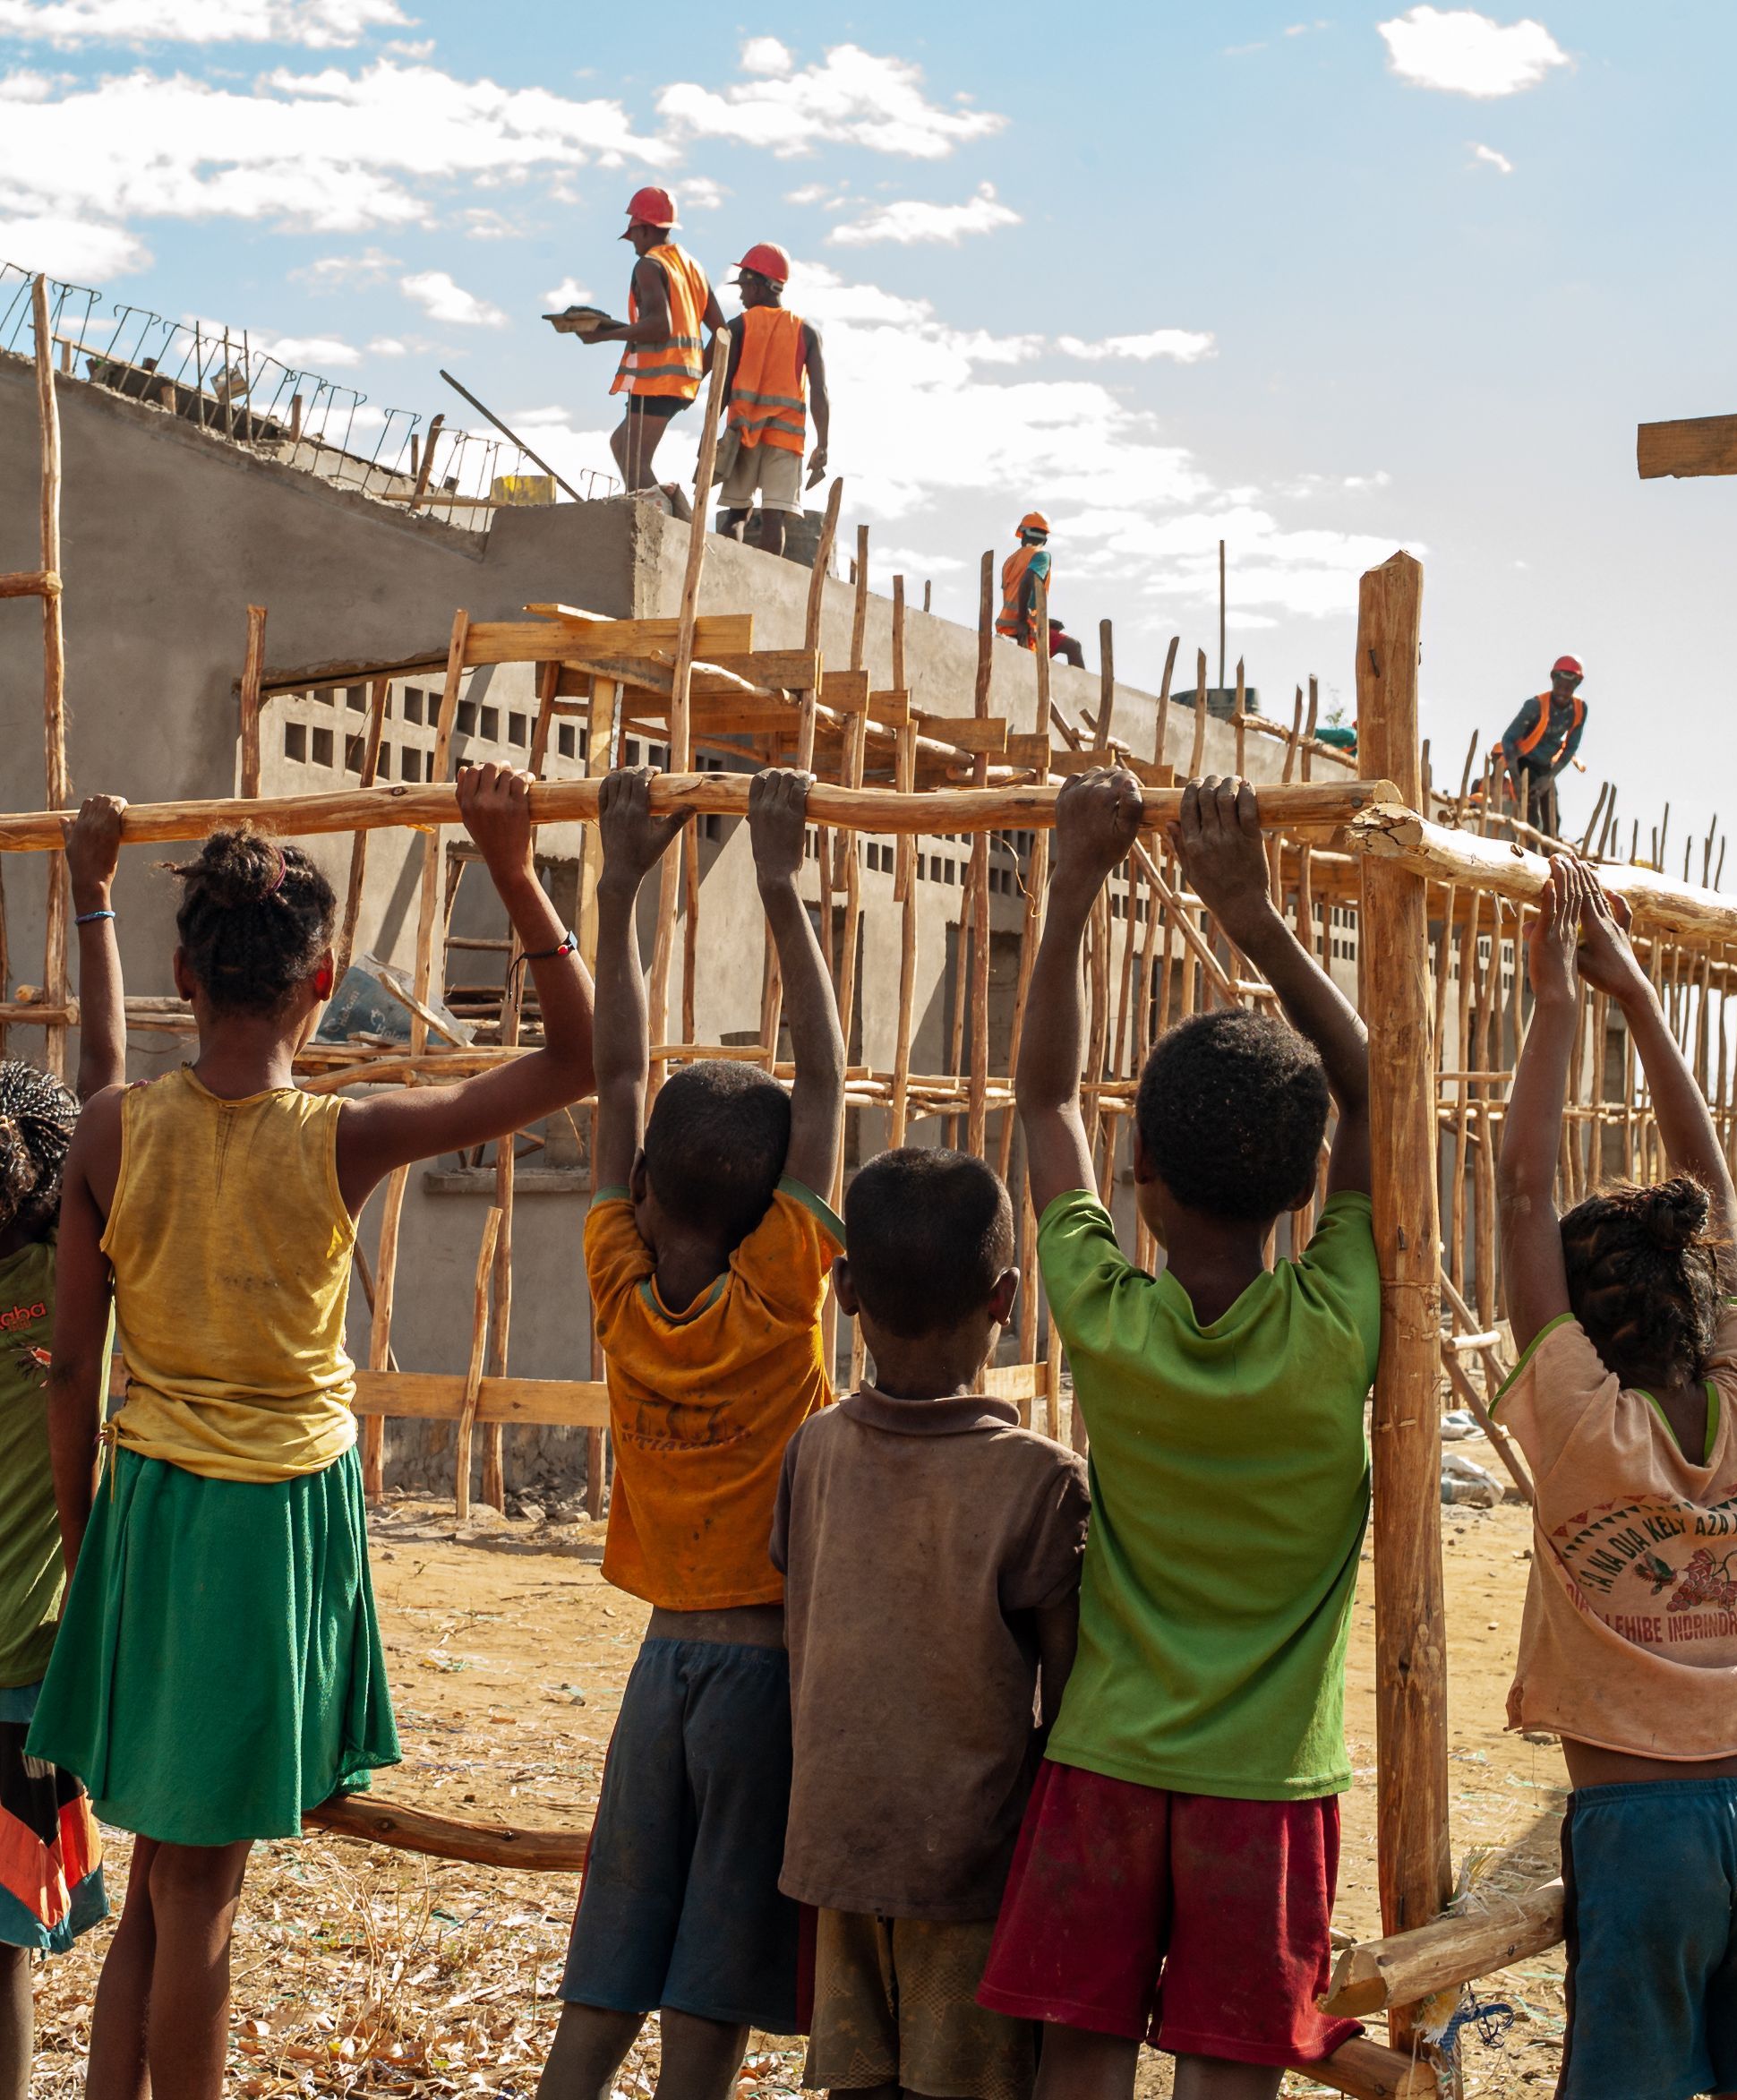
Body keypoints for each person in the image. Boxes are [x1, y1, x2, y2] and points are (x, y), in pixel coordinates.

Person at [34, 767, 595, 2100]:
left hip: (151, 1520)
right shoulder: (348, 1136)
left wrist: (90, 1544)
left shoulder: (114, 1135)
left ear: (188, 968)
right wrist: (511, 868)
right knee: (200, 1884)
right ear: (322, 976)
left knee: (169, 1869)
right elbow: (581, 1061)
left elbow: (70, 1372)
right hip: (266, 1524)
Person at [981, 773, 1379, 2096]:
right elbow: (1374, 1090)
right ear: (1307, 1183)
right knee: (1229, 2074)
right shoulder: (1336, 1330)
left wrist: (1078, 878)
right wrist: (1253, 915)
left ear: (1136, 1161)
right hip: (1266, 1785)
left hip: (1103, 1759)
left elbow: (1041, 1102)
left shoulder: (1105, 1319)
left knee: (1076, 2065)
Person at [1493, 856, 1737, 2100]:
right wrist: (1632, 989)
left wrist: (1552, 998)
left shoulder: (1582, 1423)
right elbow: (1725, 1210)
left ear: (1579, 1327)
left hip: (1638, 1843)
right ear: (1699, 1295)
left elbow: (1522, 1185)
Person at [537, 766, 845, 2100]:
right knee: (708, 1992)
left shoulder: (615, 1275)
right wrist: (783, 887)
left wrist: (613, 887)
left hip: (658, 1668)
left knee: (609, 1964)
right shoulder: (781, 1288)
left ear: (645, 1179)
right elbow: (827, 1078)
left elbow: (615, 1066)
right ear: (779, 1198)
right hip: (766, 1678)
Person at [771, 1146, 1090, 2100]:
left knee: (856, 2084)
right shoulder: (1040, 1479)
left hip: (835, 1842)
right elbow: (1070, 1698)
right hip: (971, 1861)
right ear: (1005, 1298)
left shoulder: (813, 1448)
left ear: (842, 1289)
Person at [0, 797, 125, 2100]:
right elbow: (103, 1084)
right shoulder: (59, 1284)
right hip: (26, 1681)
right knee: (5, 1964)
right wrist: (91, 897)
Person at [575, 185, 725, 501]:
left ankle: (663, 515)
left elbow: (659, 326)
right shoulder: (692, 266)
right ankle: (652, 512)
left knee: (633, 457)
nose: (633, 245)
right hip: (678, 380)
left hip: (657, 378)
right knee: (622, 445)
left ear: (643, 228)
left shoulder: (648, 264)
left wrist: (601, 335)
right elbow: (723, 332)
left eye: (634, 235)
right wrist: (698, 372)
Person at [716, 244, 829, 558]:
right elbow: (820, 393)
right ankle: (764, 578)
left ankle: (724, 570)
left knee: (736, 514)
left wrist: (709, 434)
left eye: (743, 287)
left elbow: (722, 387)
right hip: (785, 437)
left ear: (757, 284)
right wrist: (823, 442)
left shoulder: (739, 326)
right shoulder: (806, 332)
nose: (741, 296)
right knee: (773, 517)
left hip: (742, 434)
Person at [1493, 654, 1587, 838]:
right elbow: (1508, 740)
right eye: (1559, 686)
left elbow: (1570, 748)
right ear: (1553, 680)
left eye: (1568, 688)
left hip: (1546, 767)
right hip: (1523, 762)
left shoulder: (1579, 709)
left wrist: (1549, 778)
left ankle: (1551, 861)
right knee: (1531, 819)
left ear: (1576, 685)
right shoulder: (1535, 705)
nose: (1563, 692)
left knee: (1553, 822)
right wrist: (1517, 778)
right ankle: (1529, 859)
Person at [997, 515, 1052, 651]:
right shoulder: (1041, 556)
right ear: (1044, 538)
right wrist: (1022, 621)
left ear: (1024, 534)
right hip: (1024, 628)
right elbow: (1027, 580)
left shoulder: (1011, 560)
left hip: (1005, 626)